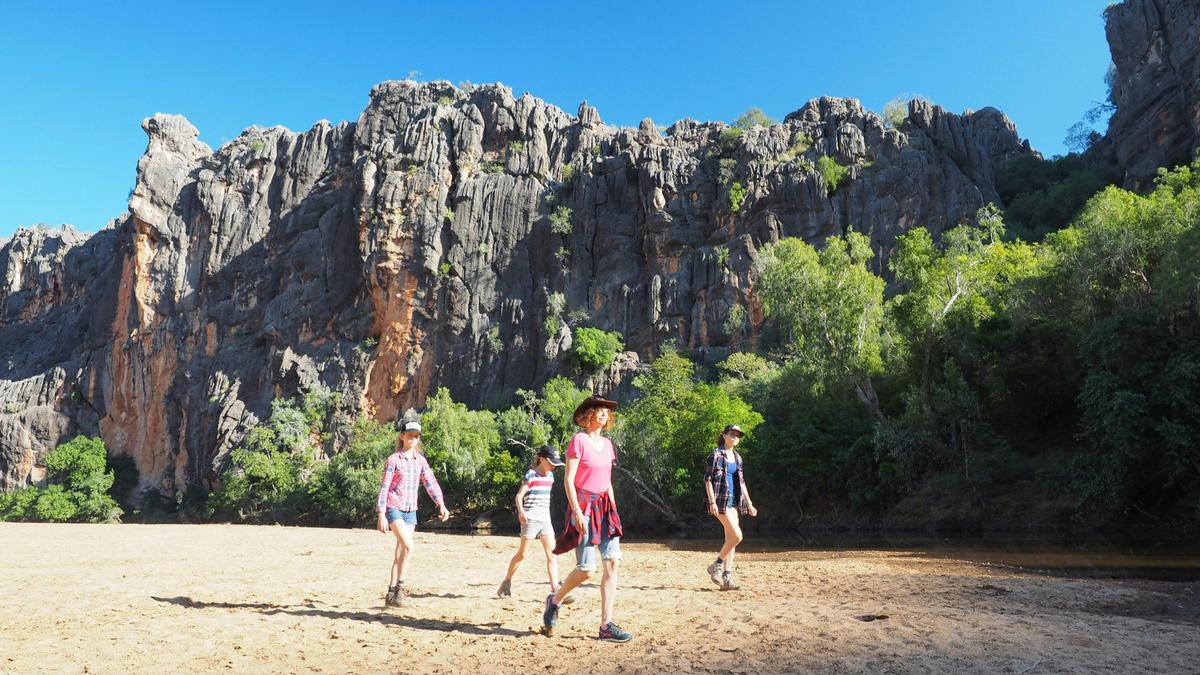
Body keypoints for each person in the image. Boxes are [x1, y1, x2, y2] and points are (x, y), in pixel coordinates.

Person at [541, 395, 633, 643]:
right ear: (587, 416)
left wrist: (613, 509)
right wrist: (578, 513)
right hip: (583, 507)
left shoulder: (608, 445)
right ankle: (555, 599)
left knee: (612, 563)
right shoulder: (578, 441)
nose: (604, 413)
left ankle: (606, 625)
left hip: (605, 508)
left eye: (606, 411)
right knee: (586, 571)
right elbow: (568, 481)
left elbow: (608, 481)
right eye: (599, 410)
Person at [375, 420, 450, 607]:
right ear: (402, 436)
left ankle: (391, 593)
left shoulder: (420, 461)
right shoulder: (393, 460)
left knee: (401, 551)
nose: (413, 439)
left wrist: (440, 503)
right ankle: (400, 589)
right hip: (394, 506)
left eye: (416, 436)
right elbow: (384, 488)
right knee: (408, 546)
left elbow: (430, 482)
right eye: (410, 435)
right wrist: (381, 514)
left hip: (410, 509)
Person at [497, 445, 566, 598]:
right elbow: (519, 496)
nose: (554, 466)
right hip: (530, 519)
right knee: (522, 555)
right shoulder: (531, 475)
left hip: (545, 520)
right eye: (552, 462)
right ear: (542, 459)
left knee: (552, 554)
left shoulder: (551, 477)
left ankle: (555, 589)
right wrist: (521, 512)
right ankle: (507, 581)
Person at [703, 424, 758, 591]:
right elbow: (708, 480)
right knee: (737, 536)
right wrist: (712, 502)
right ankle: (716, 565)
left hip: (734, 502)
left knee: (731, 540)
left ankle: (727, 578)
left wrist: (749, 503)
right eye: (732, 434)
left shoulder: (738, 457)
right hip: (720, 501)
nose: (735, 437)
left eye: (738, 435)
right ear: (724, 435)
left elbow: (741, 482)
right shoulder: (716, 454)